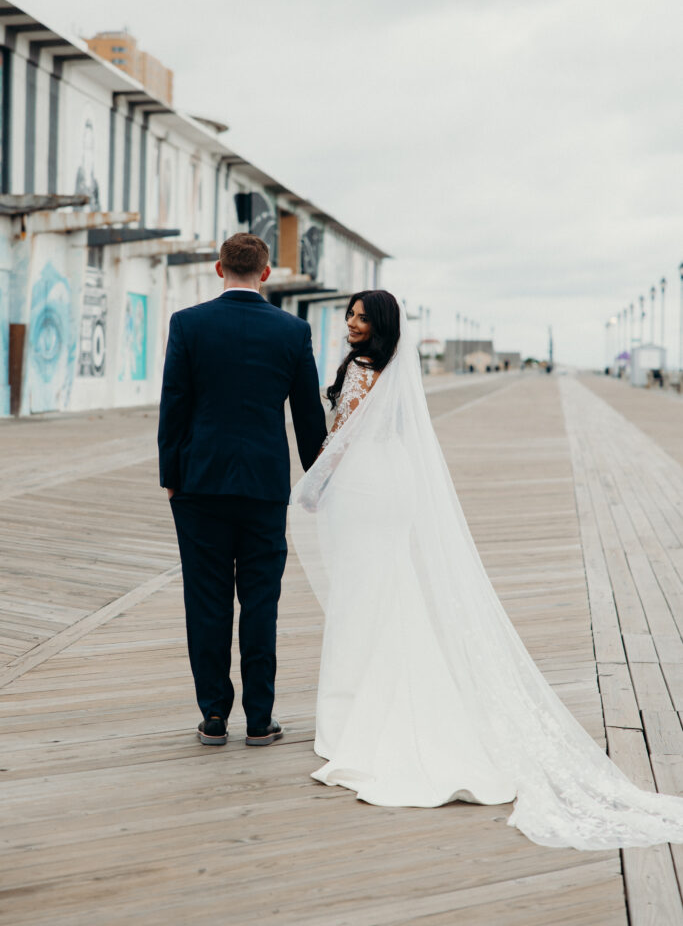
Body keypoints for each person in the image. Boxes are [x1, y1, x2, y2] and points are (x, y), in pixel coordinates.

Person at [290, 289, 683, 850]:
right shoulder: (397, 368)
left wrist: (313, 487)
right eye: (349, 315)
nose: (351, 324)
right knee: (390, 588)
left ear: (378, 325)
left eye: (360, 317)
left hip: (361, 486)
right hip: (393, 483)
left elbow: (342, 438)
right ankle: (381, 692)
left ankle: (354, 710)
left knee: (361, 595)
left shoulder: (359, 369)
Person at [158, 233, 327, 747]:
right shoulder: (293, 331)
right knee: (261, 601)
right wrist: (317, 480)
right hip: (264, 486)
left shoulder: (188, 324)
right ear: (267, 273)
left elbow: (175, 405)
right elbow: (307, 417)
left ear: (217, 268)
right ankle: (259, 718)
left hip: (199, 483)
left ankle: (213, 715)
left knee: (206, 600)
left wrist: (170, 476)